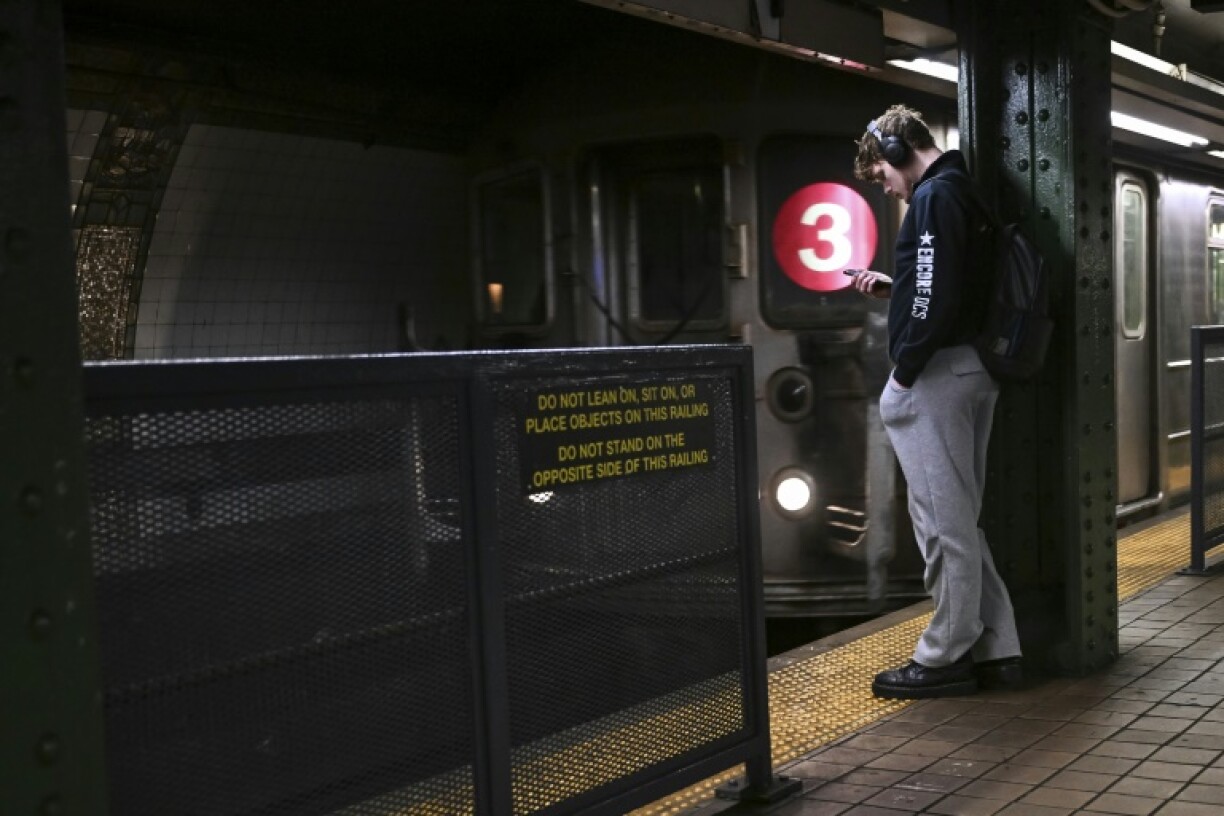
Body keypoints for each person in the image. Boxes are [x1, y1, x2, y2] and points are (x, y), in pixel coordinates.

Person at [849, 105, 1023, 699]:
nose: (888, 188)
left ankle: (945, 655)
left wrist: (903, 373)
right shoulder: (962, 192)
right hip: (971, 366)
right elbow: (949, 286)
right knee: (960, 520)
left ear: (897, 153)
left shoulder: (931, 197)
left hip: (938, 375)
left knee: (941, 525)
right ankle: (1000, 647)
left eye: (881, 175)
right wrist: (896, 289)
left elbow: (933, 298)